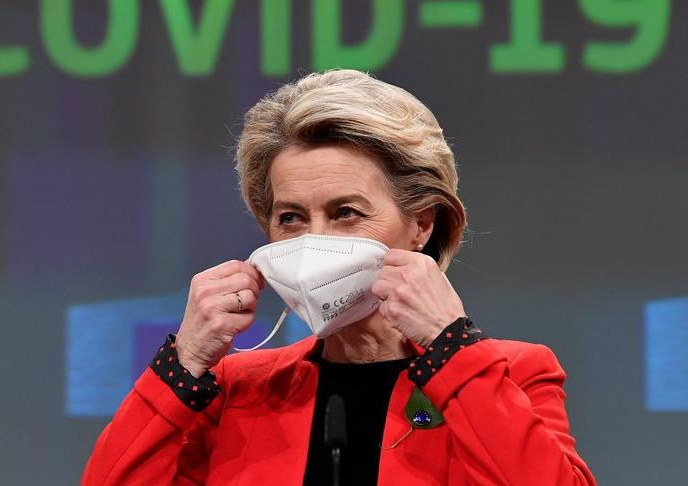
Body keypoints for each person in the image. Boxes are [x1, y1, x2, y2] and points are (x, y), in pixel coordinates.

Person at [82, 69, 596, 486]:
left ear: (421, 224)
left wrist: (450, 348)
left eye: (346, 212)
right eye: (291, 218)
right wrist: (187, 360)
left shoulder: (514, 373)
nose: (314, 240)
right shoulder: (238, 389)